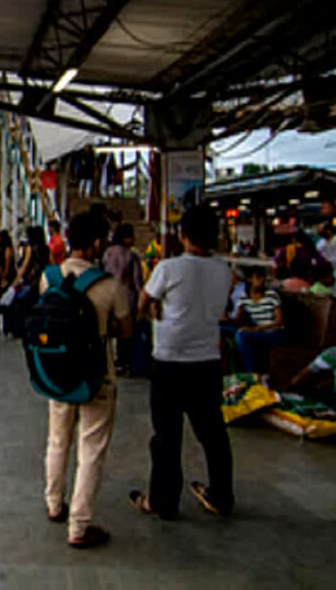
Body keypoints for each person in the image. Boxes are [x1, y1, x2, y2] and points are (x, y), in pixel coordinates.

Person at [130, 205, 234, 519]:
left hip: (169, 362)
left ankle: (162, 501)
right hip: (207, 362)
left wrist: (153, 309)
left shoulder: (169, 267)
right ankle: (221, 496)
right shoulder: (224, 269)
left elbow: (142, 302)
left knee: (166, 436)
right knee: (213, 433)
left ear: (182, 234)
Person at [43, 211, 131, 549]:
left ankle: (54, 504)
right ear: (96, 243)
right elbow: (125, 333)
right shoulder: (110, 286)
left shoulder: (49, 278)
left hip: (57, 374)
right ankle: (78, 527)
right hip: (96, 377)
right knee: (90, 449)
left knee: (57, 439)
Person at [102, 223, 144, 373]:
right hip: (127, 297)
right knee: (126, 332)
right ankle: (124, 362)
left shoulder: (107, 253)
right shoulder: (131, 256)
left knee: (108, 329)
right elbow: (138, 281)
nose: (133, 239)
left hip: (108, 295)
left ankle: (109, 360)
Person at [227, 266, 284, 373]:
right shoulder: (244, 297)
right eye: (258, 278)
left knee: (242, 336)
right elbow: (236, 319)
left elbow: (279, 321)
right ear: (249, 279)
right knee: (226, 331)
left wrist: (255, 328)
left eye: (263, 278)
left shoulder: (271, 295)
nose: (261, 281)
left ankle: (250, 372)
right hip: (256, 331)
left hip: (273, 332)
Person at [9, 226, 51, 338]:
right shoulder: (46, 248)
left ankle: (23, 329)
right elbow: (52, 263)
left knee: (24, 305)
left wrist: (16, 281)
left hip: (31, 282)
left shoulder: (30, 248)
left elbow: (25, 266)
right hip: (43, 281)